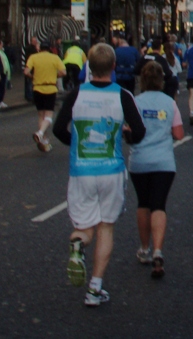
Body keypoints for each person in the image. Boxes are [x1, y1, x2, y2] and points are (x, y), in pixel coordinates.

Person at [52, 43, 146, 306]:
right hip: (111, 170)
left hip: (81, 169)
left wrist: (76, 143)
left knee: (83, 227)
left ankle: (78, 245)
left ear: (88, 67)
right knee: (106, 227)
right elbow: (139, 133)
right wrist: (125, 134)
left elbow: (59, 129)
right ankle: (95, 288)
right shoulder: (123, 95)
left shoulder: (76, 94)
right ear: (113, 67)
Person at [128, 61, 184, 279]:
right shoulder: (169, 103)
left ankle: (144, 249)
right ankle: (159, 249)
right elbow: (179, 134)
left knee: (143, 203)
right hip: (164, 161)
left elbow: (128, 128)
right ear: (162, 80)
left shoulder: (134, 102)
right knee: (159, 204)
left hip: (139, 160)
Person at [24, 40, 67, 152]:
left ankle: (44, 140)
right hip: (50, 88)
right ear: (50, 49)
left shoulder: (33, 57)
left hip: (37, 88)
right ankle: (40, 133)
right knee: (48, 115)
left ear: (40, 48)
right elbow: (63, 72)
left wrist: (33, 76)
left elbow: (26, 72)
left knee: (41, 115)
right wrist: (54, 75)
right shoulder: (55, 58)